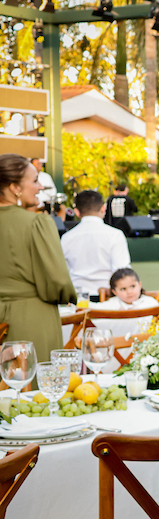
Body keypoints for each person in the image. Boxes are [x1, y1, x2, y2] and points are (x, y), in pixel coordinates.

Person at [0, 154, 76, 363]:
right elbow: (58, 281)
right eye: (34, 180)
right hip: (32, 319)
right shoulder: (37, 223)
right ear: (15, 187)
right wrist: (68, 296)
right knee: (37, 390)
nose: (40, 186)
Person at [60, 189, 132, 297]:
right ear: (103, 208)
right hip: (109, 298)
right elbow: (121, 272)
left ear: (76, 212)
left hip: (77, 298)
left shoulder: (66, 237)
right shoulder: (115, 235)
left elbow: (62, 272)